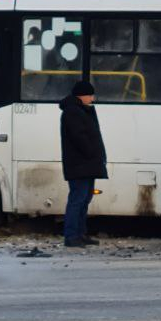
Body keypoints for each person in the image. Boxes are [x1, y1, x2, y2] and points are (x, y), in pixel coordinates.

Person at [59, 79, 108, 248]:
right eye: (90, 95)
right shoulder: (73, 112)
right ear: (82, 95)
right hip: (80, 164)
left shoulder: (82, 110)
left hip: (87, 164)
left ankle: (80, 234)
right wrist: (93, 153)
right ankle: (71, 236)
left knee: (84, 198)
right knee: (77, 199)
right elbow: (79, 138)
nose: (93, 99)